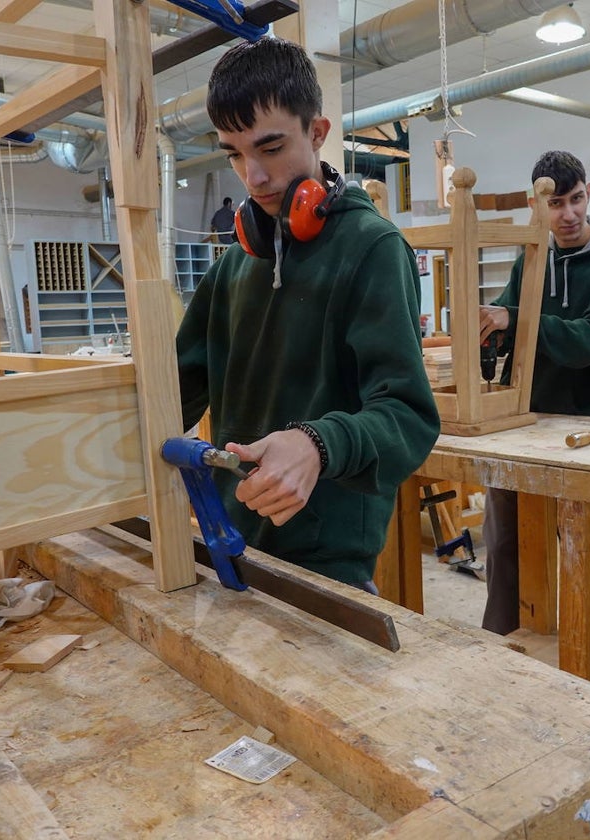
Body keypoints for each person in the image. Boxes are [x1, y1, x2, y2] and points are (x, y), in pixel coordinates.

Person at [175, 37, 440, 591]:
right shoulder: (233, 266)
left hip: (327, 561)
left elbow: (408, 418)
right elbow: (172, 388)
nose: (253, 176)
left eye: (270, 148)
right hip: (230, 538)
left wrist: (317, 444)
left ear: (317, 133)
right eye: (234, 153)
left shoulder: (371, 248)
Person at [477, 150, 590, 643]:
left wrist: (518, 321)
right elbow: (506, 323)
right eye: (554, 204)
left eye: (574, 200)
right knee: (503, 540)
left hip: (586, 428)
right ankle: (502, 643)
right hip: (522, 422)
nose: (566, 215)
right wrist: (487, 327)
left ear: (588, 194)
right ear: (537, 205)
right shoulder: (531, 258)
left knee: (581, 547)